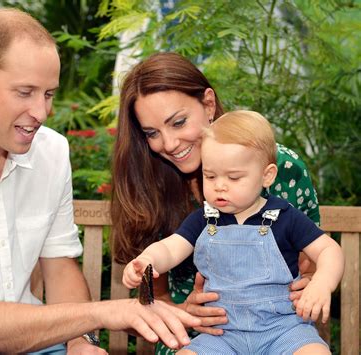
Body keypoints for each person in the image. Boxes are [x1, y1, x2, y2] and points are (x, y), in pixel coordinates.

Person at [0, 9, 202, 355]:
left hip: (32, 335)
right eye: (25, 92)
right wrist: (100, 312)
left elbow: (60, 266)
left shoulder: (51, 152)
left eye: (49, 94)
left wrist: (81, 341)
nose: (41, 112)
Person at [111, 52, 322, 354]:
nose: (169, 144)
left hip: (279, 330)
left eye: (178, 122)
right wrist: (183, 314)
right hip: (199, 338)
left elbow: (315, 260)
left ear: (208, 104)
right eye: (152, 133)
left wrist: (313, 282)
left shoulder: (278, 168)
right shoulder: (151, 184)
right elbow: (152, 300)